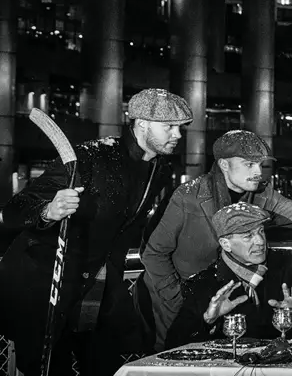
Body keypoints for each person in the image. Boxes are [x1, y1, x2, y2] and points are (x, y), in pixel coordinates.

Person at [0, 88, 192, 376]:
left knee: (106, 366)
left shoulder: (159, 169)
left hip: (98, 287)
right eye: (169, 127)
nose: (177, 134)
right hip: (44, 286)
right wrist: (48, 210)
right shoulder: (91, 156)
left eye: (180, 127)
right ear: (141, 123)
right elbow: (14, 210)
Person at [140, 129, 292, 348]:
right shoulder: (187, 197)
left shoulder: (263, 194)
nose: (258, 172)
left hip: (232, 297)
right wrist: (177, 297)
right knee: (176, 355)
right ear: (224, 164)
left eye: (260, 164)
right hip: (181, 300)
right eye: (249, 164)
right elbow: (153, 253)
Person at [165, 203, 292, 347]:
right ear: (226, 244)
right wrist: (208, 320)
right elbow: (173, 344)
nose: (260, 241)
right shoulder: (203, 284)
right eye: (248, 236)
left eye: (261, 231)